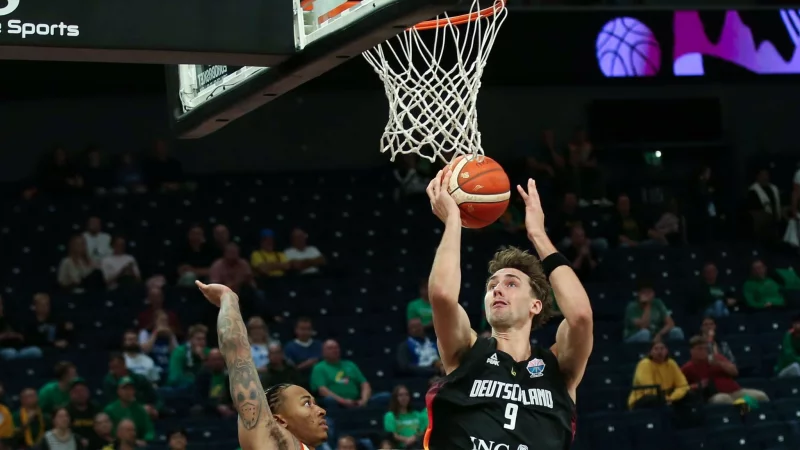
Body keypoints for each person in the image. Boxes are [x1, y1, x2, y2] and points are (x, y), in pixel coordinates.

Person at [422, 173, 593, 450]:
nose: (497, 290)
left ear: (535, 305)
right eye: (492, 285)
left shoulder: (559, 369)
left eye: (511, 283)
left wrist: (538, 235)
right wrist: (454, 222)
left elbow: (581, 316)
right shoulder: (467, 350)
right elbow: (442, 295)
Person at [195, 281, 329, 450]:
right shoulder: (273, 443)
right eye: (307, 404)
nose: (321, 410)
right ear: (280, 421)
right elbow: (236, 351)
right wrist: (228, 298)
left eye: (314, 403)